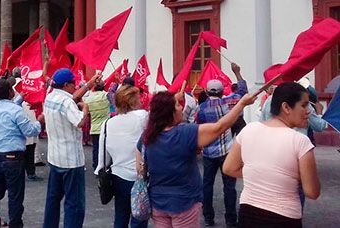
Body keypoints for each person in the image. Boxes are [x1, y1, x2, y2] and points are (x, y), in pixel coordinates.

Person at [137, 87, 256, 228]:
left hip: (158, 203)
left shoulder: (147, 136)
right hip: (184, 203)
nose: (181, 107)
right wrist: (241, 104)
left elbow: (140, 166)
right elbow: (220, 127)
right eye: (177, 105)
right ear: (169, 113)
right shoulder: (186, 133)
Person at [223, 82, 321, 227]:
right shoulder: (300, 141)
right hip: (284, 218)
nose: (308, 111)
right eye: (304, 105)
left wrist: (261, 174)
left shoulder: (249, 130)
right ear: (286, 107)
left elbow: (229, 168)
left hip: (248, 213)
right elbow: (312, 191)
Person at [42, 68, 99, 228]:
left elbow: (71, 98)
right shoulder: (67, 103)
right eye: (73, 83)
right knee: (74, 204)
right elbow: (79, 122)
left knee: (53, 199)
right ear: (66, 85)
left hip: (55, 158)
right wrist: (86, 110)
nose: (75, 86)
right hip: (71, 161)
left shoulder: (50, 97)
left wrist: (88, 85)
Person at [196, 63, 247, 228]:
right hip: (227, 151)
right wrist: (237, 73)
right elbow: (243, 93)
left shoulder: (202, 109)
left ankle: (208, 218)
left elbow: (199, 128)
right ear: (222, 91)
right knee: (229, 187)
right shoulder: (231, 102)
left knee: (207, 185)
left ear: (206, 92)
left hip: (209, 152)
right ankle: (231, 220)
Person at [0, 79, 42, 228]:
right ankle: (15, 224)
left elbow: (8, 109)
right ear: (10, 92)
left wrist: (19, 99)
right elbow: (30, 131)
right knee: (15, 196)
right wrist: (39, 122)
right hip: (13, 157)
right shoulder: (16, 111)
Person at [95, 86, 148, 228]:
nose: (141, 101)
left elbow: (103, 158)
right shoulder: (142, 117)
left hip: (118, 175)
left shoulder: (107, 124)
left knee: (120, 217)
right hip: (139, 175)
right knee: (139, 217)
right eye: (138, 99)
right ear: (132, 103)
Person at [84, 81, 110, 170]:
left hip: (94, 128)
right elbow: (114, 94)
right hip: (105, 128)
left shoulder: (89, 99)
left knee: (96, 149)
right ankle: (104, 167)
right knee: (105, 149)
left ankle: (96, 166)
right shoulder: (106, 96)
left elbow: (87, 114)